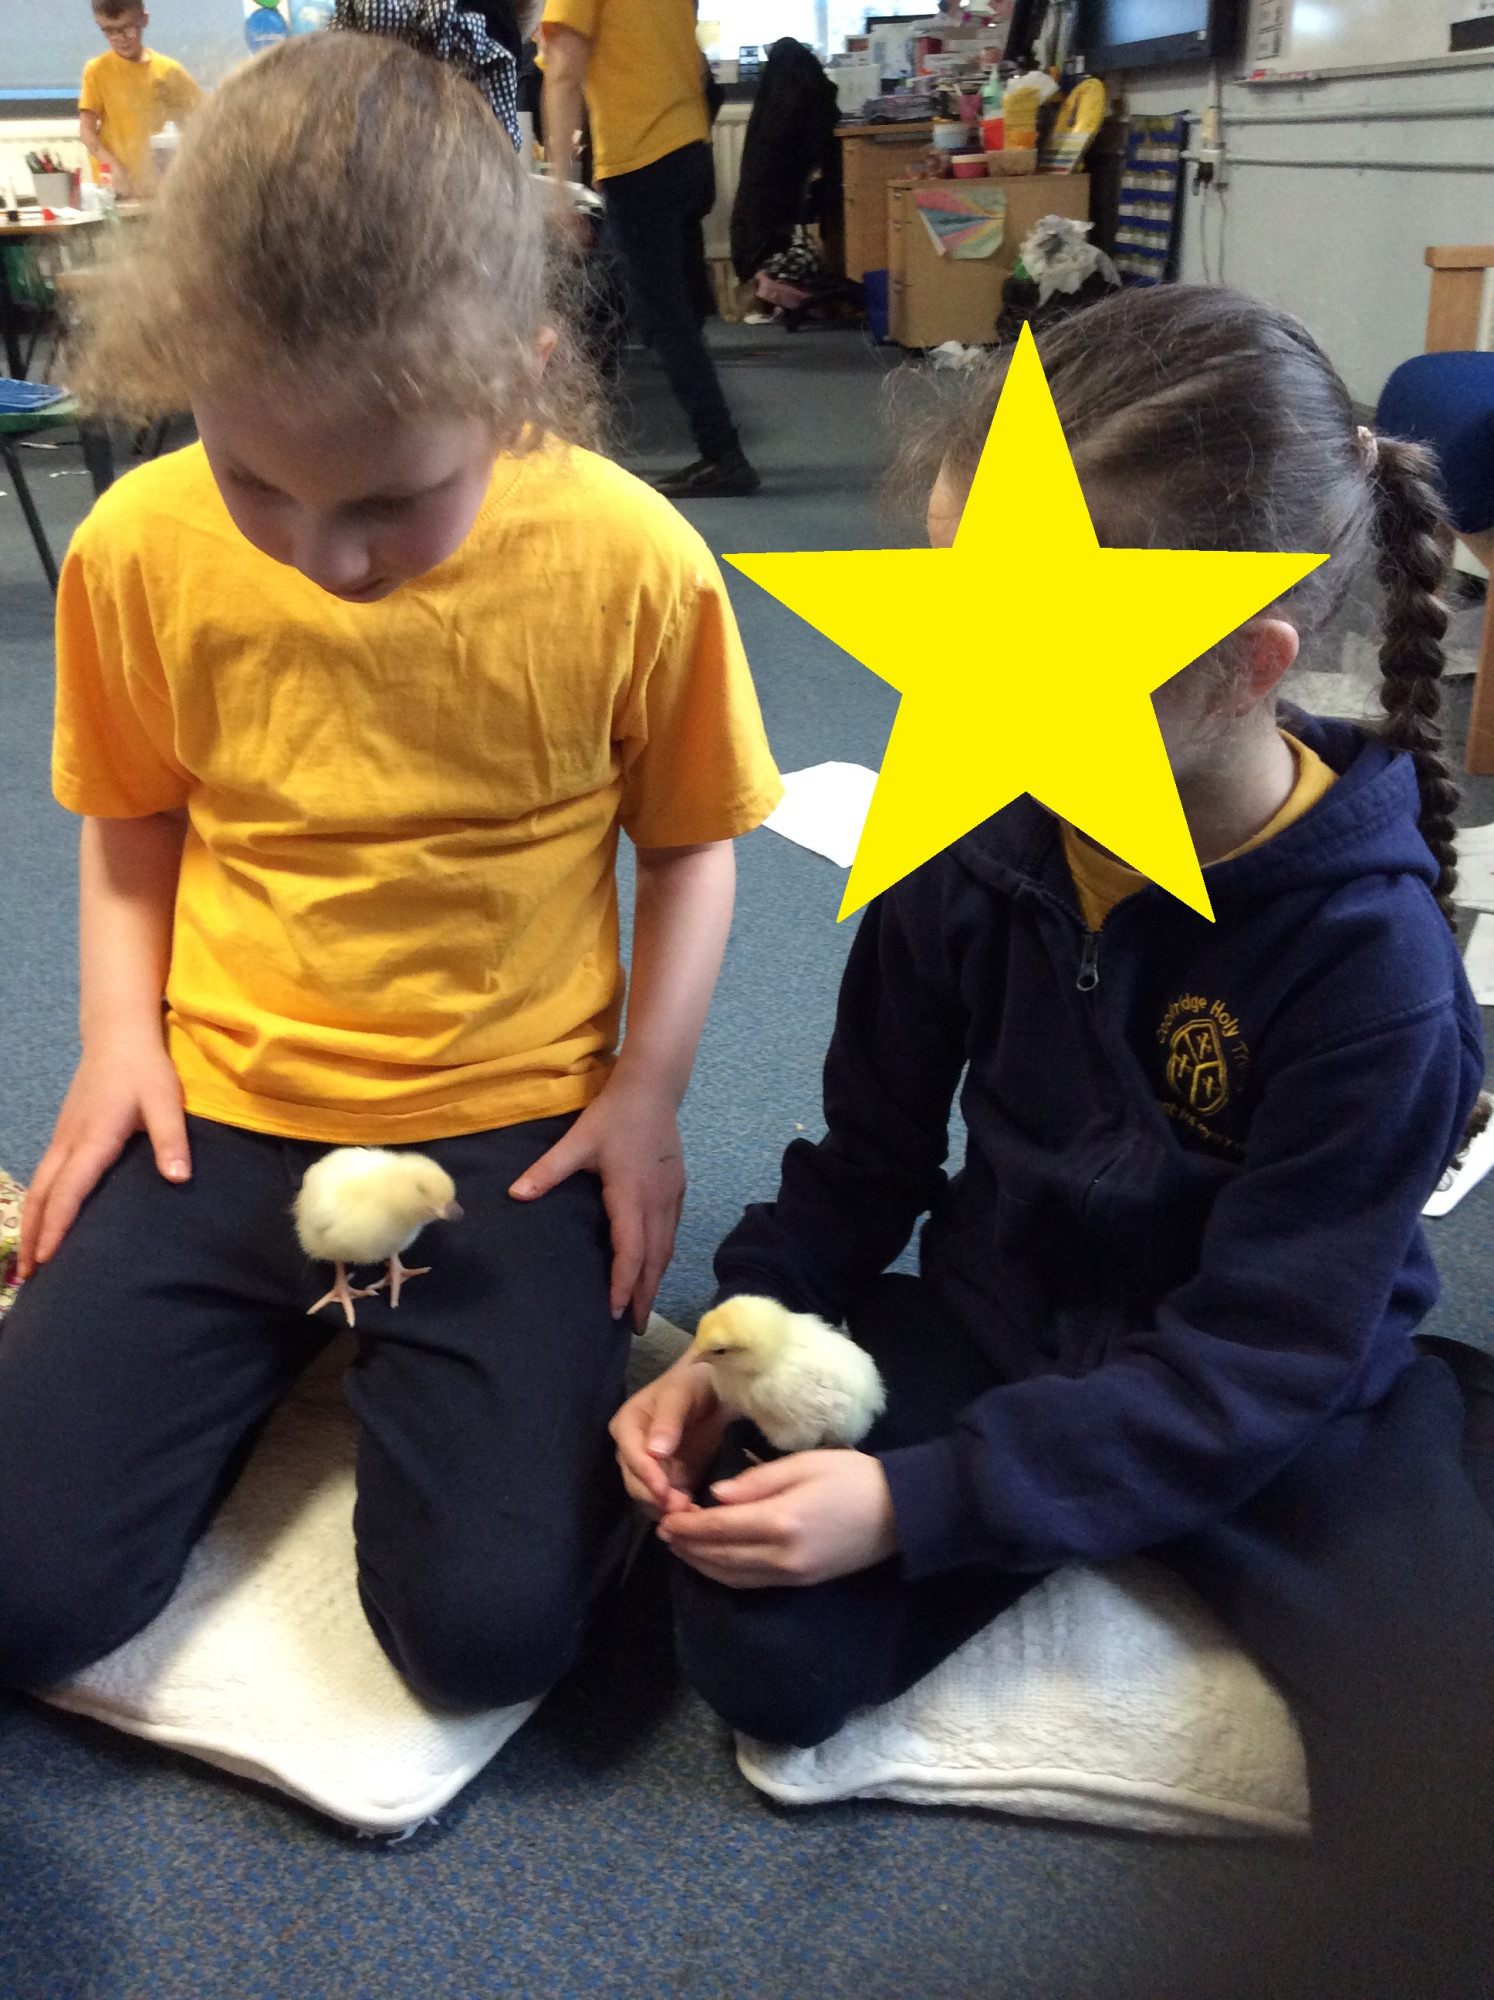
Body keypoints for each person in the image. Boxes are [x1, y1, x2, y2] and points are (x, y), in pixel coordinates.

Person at [613, 286, 1494, 1998]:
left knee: (1443, 1788)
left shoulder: (1368, 969)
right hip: (1002, 1311)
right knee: (760, 1655)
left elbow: (1261, 1357)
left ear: (1247, 662)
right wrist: (742, 1335)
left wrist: (923, 1501)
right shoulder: (973, 838)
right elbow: (864, 1154)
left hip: (1272, 1380)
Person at [0, 32, 781, 1717]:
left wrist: (645, 1097)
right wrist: (119, 1040)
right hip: (220, 1102)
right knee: (17, 1590)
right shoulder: (136, 548)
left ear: (519, 376)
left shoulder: (632, 560)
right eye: (254, 480)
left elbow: (689, 845)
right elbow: (130, 820)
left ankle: (415, 1363)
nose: (320, 555)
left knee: (483, 1639)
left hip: (508, 1128)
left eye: (388, 500)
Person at [539, 0, 760, 499]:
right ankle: (574, 445)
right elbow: (697, 67)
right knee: (625, 302)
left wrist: (559, 189)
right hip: (686, 149)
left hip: (641, 158)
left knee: (655, 313)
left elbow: (563, 74)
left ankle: (723, 453)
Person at [79, 0, 203, 199]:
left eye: (128, 29)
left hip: (162, 190)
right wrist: (113, 166)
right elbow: (87, 130)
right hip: (116, 190)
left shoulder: (168, 70)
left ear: (143, 20)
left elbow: (204, 116)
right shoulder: (97, 71)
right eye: (110, 31)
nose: (121, 39)